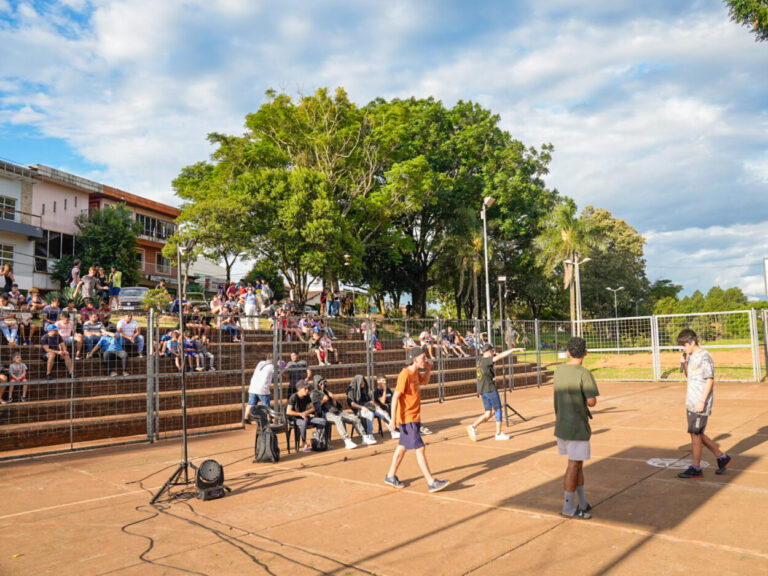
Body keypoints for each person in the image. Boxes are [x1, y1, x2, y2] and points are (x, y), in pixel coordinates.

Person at [384, 347, 449, 493]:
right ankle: (431, 482)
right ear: (415, 360)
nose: (425, 361)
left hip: (413, 416)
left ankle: (390, 476)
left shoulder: (415, 373)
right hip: (408, 418)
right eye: (423, 358)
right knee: (420, 448)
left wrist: (428, 370)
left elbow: (424, 382)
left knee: (402, 447)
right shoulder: (405, 374)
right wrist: (393, 419)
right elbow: (395, 397)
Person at [676, 329, 732, 478]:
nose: (683, 349)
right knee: (696, 433)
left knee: (695, 434)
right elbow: (689, 376)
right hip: (691, 401)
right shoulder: (692, 356)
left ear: (692, 342)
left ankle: (696, 468)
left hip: (700, 402)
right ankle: (722, 457)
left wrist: (702, 401)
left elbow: (710, 379)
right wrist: (686, 364)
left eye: (685, 345)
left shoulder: (705, 356)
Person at [553, 337, 599, 519]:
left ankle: (582, 501)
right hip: (576, 426)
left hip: (562, 424)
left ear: (568, 352)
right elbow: (591, 401)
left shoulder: (559, 370)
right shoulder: (584, 373)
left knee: (578, 463)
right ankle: (568, 507)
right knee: (573, 464)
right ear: (585, 353)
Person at [467, 343, 520, 442]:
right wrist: (512, 350)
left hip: (483, 389)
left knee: (488, 413)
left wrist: (495, 354)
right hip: (490, 388)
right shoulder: (487, 361)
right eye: (492, 351)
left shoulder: (480, 360)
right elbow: (499, 357)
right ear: (488, 351)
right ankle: (498, 433)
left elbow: (494, 358)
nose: (493, 353)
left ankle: (473, 426)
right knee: (498, 410)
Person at [310, 375, 365, 450]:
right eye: (321, 384)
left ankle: (364, 437)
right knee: (338, 419)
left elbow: (336, 406)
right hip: (325, 413)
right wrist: (323, 401)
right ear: (317, 384)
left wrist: (333, 399)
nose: (323, 386)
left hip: (335, 411)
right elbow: (314, 408)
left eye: (324, 384)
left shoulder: (327, 392)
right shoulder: (314, 394)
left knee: (353, 417)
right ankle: (347, 440)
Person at [286, 380, 326, 453]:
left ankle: (317, 439)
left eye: (308, 388)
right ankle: (304, 443)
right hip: (295, 419)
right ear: (299, 389)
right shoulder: (294, 397)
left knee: (322, 421)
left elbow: (313, 408)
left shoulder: (307, 396)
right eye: (305, 389)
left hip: (305, 417)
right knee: (303, 422)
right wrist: (301, 414)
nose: (307, 390)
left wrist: (305, 413)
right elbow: (288, 411)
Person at [345, 375, 379, 445]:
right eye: (362, 381)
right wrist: (362, 407)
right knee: (370, 414)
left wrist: (373, 404)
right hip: (357, 410)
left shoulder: (364, 389)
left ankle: (393, 431)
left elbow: (368, 400)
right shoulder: (351, 390)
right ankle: (369, 435)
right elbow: (352, 404)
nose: (364, 383)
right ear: (358, 382)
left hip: (366, 408)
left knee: (381, 412)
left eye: (363, 381)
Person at [244, 355, 274, 423]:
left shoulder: (260, 363)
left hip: (253, 388)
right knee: (266, 405)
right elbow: (277, 375)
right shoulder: (272, 366)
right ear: (272, 359)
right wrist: (281, 366)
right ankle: (269, 419)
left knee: (250, 404)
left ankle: (245, 418)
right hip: (263, 389)